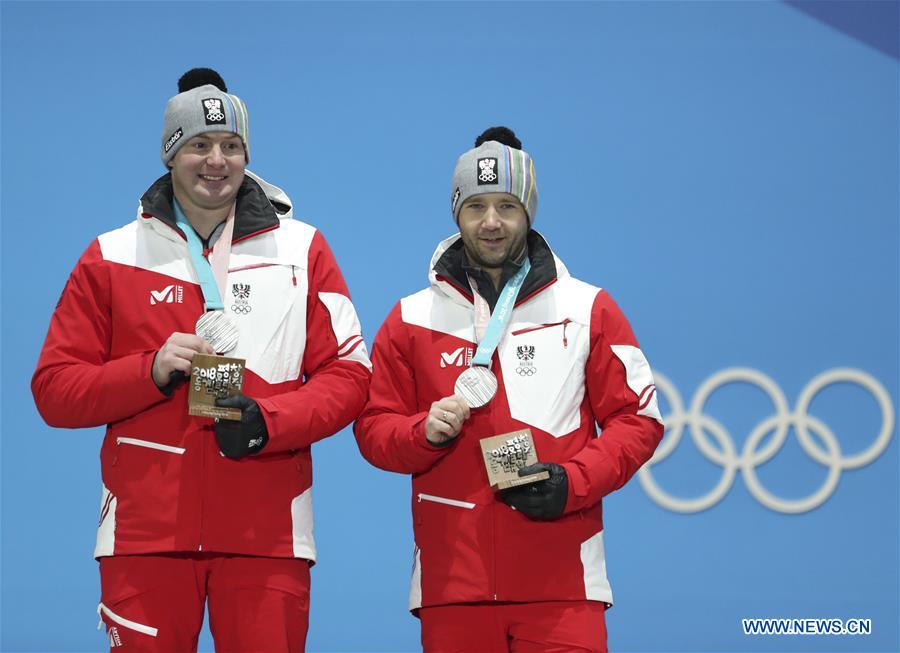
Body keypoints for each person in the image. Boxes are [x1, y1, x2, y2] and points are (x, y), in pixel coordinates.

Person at [32, 68, 371, 652]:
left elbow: (350, 375)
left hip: (267, 535)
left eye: (231, 146)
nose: (217, 160)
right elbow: (55, 389)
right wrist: (151, 370)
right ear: (170, 153)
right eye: (199, 145)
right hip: (144, 535)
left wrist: (272, 423)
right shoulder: (112, 255)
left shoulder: (302, 248)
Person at [354, 127, 664, 653]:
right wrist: (421, 432)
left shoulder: (587, 308)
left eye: (506, 206)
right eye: (476, 206)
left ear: (529, 212)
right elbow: (371, 427)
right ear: (456, 212)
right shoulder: (411, 317)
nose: (491, 222)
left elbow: (640, 420)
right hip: (454, 589)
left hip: (563, 586)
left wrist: (573, 481)